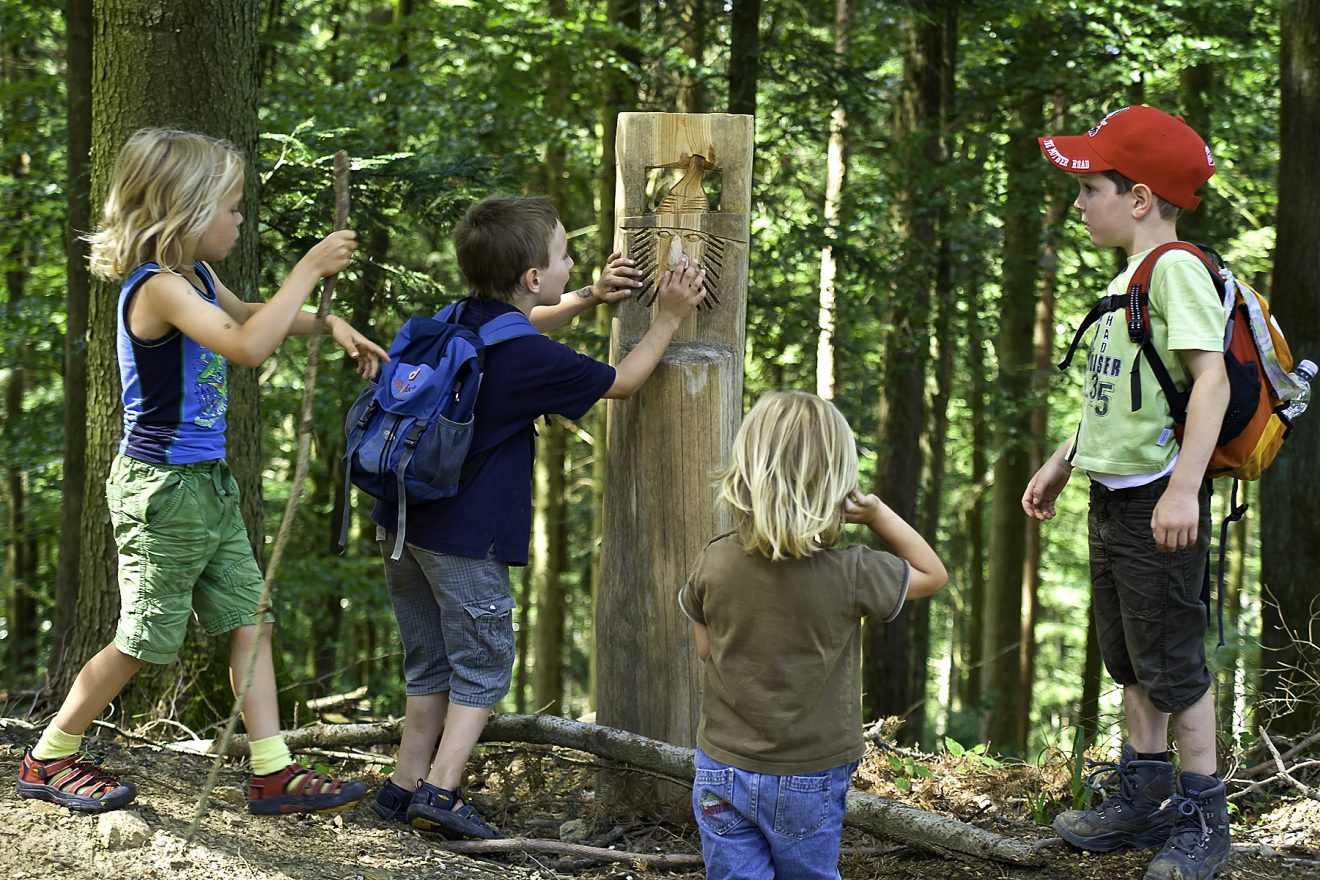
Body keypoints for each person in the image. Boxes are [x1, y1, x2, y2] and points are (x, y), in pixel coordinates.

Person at [16, 128, 389, 815]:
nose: (240, 218)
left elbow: (252, 316)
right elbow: (247, 346)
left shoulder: (199, 277)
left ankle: (271, 771)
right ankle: (48, 757)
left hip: (207, 483)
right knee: (141, 640)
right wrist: (307, 268)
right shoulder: (157, 288)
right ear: (184, 209)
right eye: (232, 206)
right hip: (161, 491)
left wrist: (327, 324)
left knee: (251, 616)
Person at [369, 195, 708, 839]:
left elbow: (523, 328)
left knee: (430, 661)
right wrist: (665, 318)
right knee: (484, 664)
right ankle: (440, 792)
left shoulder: (454, 319)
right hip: (466, 539)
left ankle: (402, 785)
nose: (572, 260)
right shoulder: (529, 359)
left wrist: (587, 296)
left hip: (403, 524)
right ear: (532, 278)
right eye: (563, 255)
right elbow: (624, 380)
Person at [1025, 106, 1231, 880]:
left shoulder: (1176, 270)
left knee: (1174, 662)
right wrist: (1061, 460)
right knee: (1131, 658)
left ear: (1139, 198)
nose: (1079, 204)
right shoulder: (1131, 280)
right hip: (1112, 500)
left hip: (1156, 504)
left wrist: (1183, 490)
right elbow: (1123, 400)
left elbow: (1207, 383)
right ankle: (1142, 798)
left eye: (1090, 189)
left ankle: (1205, 818)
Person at [679, 391, 948, 880]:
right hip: (811, 772)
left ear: (745, 471)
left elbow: (705, 649)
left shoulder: (713, 560)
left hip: (723, 766)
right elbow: (932, 573)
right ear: (838, 485)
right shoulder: (853, 572)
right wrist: (878, 514)